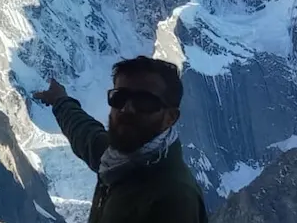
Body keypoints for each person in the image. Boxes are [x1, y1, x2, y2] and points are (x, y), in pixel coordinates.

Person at [33, 56, 207, 223]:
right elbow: (86, 135)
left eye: (144, 102)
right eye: (120, 98)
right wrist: (60, 101)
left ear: (171, 117)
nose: (127, 109)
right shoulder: (118, 160)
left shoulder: (175, 200)